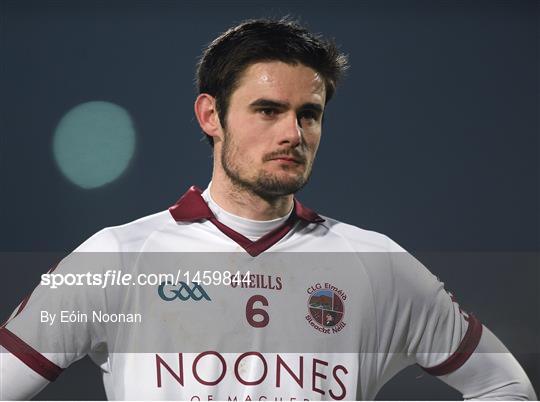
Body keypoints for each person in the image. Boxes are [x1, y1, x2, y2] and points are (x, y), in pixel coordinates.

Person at [0, 18, 536, 401]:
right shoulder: (118, 257)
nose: (292, 134)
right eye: (268, 110)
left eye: (309, 114)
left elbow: (505, 386)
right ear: (211, 115)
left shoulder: (377, 265)